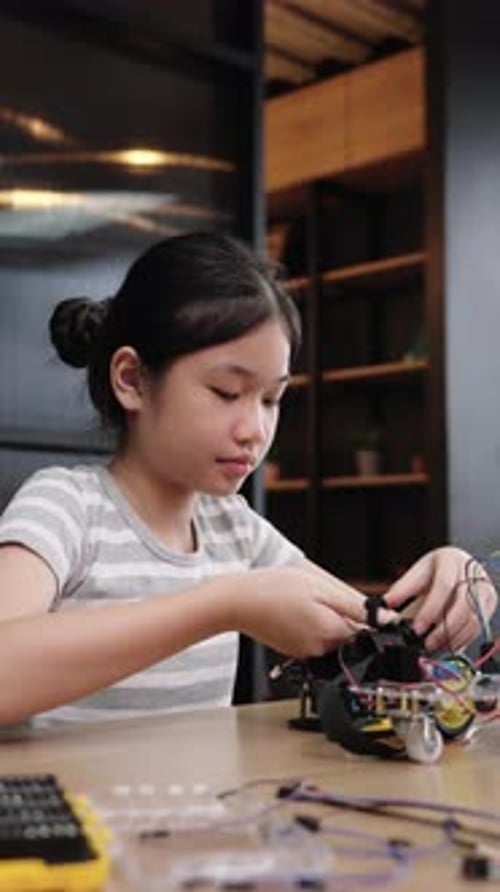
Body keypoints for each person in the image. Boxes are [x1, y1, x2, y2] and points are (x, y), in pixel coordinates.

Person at [0, 232, 496, 727]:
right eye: (226, 391)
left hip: (200, 803)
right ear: (131, 380)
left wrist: (447, 593)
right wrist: (226, 604)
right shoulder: (66, 506)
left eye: (270, 400)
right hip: (61, 805)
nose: (255, 431)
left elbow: (364, 628)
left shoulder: (233, 527)